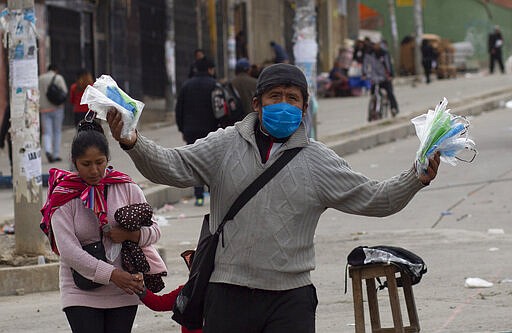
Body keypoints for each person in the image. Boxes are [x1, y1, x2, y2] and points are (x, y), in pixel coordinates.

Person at [106, 63, 441, 333]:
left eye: (292, 98)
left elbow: (375, 198)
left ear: (304, 107)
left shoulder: (319, 161)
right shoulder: (225, 145)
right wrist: (133, 141)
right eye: (275, 96)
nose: (284, 104)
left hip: (290, 299)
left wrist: (416, 177)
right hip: (227, 293)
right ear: (257, 103)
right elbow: (172, 167)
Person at [40, 119, 166, 333]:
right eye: (86, 164)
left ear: (108, 159)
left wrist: (131, 235)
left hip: (124, 290)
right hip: (80, 290)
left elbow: (154, 231)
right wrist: (112, 274)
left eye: (99, 162)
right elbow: (68, 250)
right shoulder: (63, 195)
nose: (94, 170)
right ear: (74, 162)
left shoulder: (126, 187)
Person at [175, 57, 218, 207]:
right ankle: (214, 194)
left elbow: (179, 109)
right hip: (211, 131)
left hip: (191, 130)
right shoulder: (214, 85)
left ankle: (198, 196)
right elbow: (219, 109)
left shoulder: (186, 86)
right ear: (209, 69)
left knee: (195, 163)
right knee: (213, 162)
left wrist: (182, 128)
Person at [39, 64, 68, 163]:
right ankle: (55, 154)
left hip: (44, 109)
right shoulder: (58, 78)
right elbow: (64, 91)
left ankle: (48, 150)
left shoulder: (40, 79)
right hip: (57, 108)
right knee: (57, 131)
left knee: (47, 132)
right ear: (56, 70)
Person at [363, 41, 400, 117]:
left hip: (384, 77)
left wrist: (390, 75)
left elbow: (389, 65)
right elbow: (365, 65)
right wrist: (364, 74)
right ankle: (373, 109)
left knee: (389, 92)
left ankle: (394, 108)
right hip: (374, 77)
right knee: (373, 93)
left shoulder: (384, 53)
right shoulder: (369, 54)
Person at [0, 105, 12, 175]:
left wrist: (1, 141)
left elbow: (5, 124)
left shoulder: (11, 106)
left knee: (14, 162)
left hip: (13, 139)